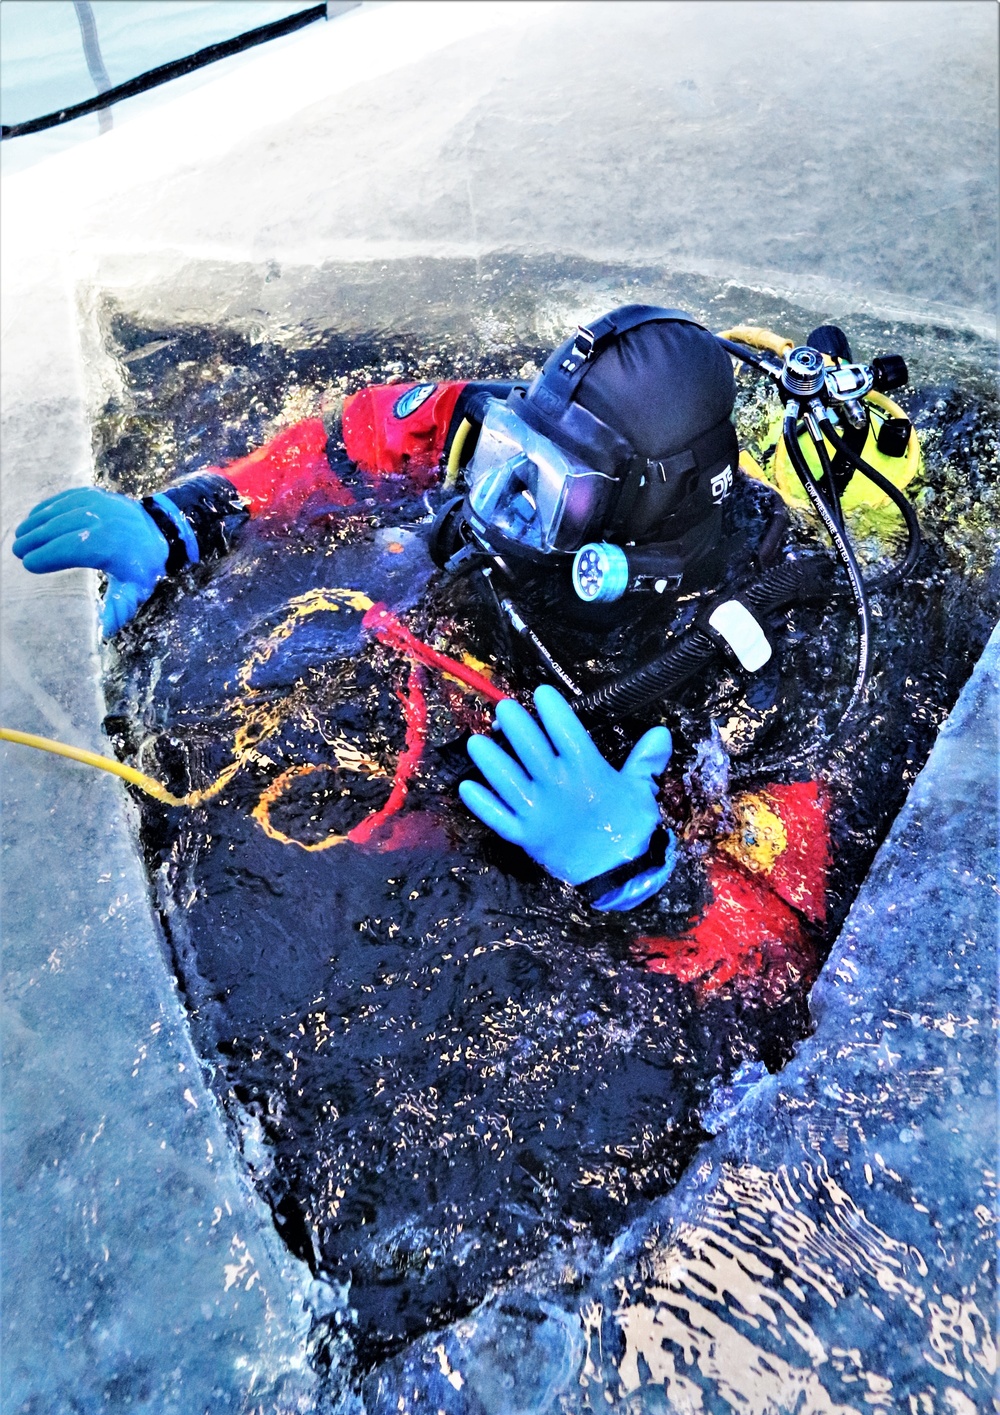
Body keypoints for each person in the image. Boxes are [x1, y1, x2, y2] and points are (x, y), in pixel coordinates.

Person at [12, 305, 832, 976]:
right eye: (512, 454)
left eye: (544, 491)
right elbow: (364, 434)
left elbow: (778, 955)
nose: (495, 500)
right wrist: (197, 513)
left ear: (629, 544)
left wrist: (642, 878)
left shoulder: (757, 678)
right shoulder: (529, 433)